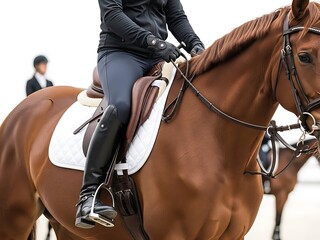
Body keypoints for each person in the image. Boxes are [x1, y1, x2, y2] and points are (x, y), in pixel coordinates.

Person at [75, 0, 205, 229]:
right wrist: (153, 41)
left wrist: (197, 45)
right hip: (120, 53)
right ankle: (88, 196)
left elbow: (176, 17)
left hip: (157, 56)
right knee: (120, 106)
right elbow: (112, 14)